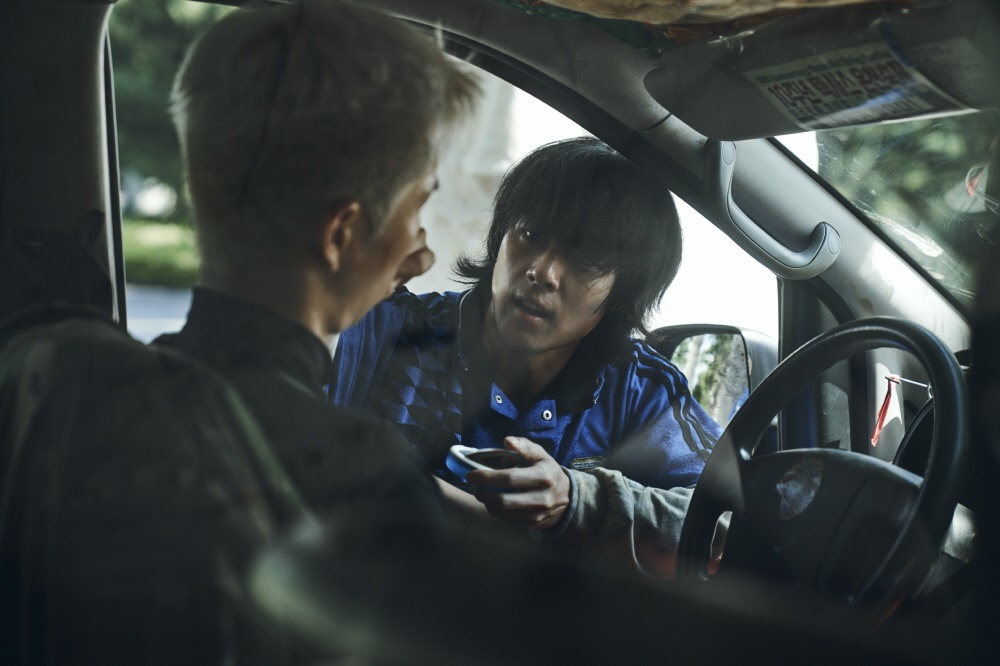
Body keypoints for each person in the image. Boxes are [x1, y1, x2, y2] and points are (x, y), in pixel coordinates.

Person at [156, 0, 477, 521]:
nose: (423, 257)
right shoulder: (365, 477)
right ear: (341, 235)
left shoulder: (71, 385)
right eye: (417, 208)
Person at [332, 137, 722, 562]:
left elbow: (724, 525)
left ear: (622, 294)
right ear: (501, 236)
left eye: (586, 258)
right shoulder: (381, 329)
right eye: (530, 234)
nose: (542, 271)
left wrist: (580, 501)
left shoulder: (638, 389)